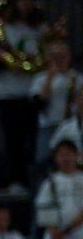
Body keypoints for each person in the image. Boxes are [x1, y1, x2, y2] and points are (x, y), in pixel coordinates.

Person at [0, 0, 46, 190]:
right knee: (14, 139)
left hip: (32, 90)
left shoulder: (39, 28)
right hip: (8, 92)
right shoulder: (2, 26)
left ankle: (34, 180)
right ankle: (16, 180)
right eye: (22, 0)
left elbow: (45, 54)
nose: (26, 5)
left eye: (30, 0)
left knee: (33, 138)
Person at [34, 40, 80, 168]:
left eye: (63, 56)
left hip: (70, 124)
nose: (59, 60)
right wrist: (50, 77)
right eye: (55, 57)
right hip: (48, 124)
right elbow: (37, 104)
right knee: (43, 159)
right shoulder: (40, 78)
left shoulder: (76, 77)